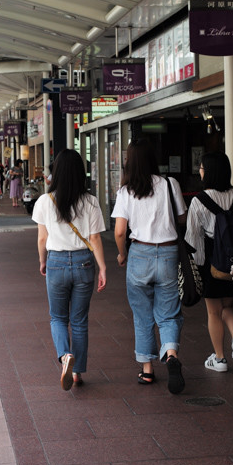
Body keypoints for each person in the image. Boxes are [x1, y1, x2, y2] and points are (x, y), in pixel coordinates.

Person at [111, 139, 187, 394]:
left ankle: (147, 371)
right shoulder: (169, 184)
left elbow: (120, 232)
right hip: (168, 252)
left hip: (139, 253)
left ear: (129, 162)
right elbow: (182, 218)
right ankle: (171, 354)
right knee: (168, 313)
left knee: (142, 315)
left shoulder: (125, 192)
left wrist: (122, 255)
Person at [33, 149, 107, 390]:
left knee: (57, 317)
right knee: (79, 321)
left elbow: (42, 239)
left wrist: (43, 261)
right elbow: (94, 238)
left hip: (56, 262)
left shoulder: (45, 201)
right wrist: (103, 267)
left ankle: (65, 356)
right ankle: (76, 374)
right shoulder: (91, 201)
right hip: (84, 262)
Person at [184, 152, 233, 372]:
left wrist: (198, 265)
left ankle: (220, 359)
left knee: (213, 312)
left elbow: (192, 238)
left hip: (211, 261)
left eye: (201, 167)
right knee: (228, 306)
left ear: (209, 171)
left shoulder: (199, 200)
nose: (200, 171)